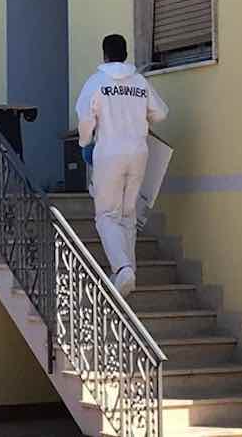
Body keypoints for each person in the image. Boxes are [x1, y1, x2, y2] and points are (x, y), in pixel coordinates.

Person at [75, 34, 169, 297]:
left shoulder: (97, 82)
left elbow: (85, 118)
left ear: (105, 55)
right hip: (138, 153)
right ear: (126, 54)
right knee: (128, 215)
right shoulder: (139, 82)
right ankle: (127, 274)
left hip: (109, 154)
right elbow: (161, 113)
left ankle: (123, 269)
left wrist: (84, 142)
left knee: (106, 215)